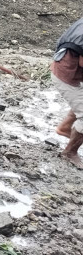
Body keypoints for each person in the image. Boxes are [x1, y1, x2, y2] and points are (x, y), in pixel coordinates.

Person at [50, 17, 83, 168]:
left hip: (67, 69)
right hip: (66, 75)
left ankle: (65, 129)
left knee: (80, 103)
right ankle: (69, 152)